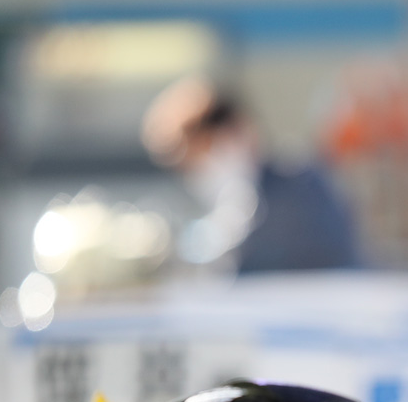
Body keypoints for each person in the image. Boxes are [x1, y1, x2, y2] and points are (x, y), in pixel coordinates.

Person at [141, 76, 363, 273]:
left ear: (232, 134)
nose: (194, 174)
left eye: (196, 158)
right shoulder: (239, 202)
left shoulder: (299, 186)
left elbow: (250, 257)